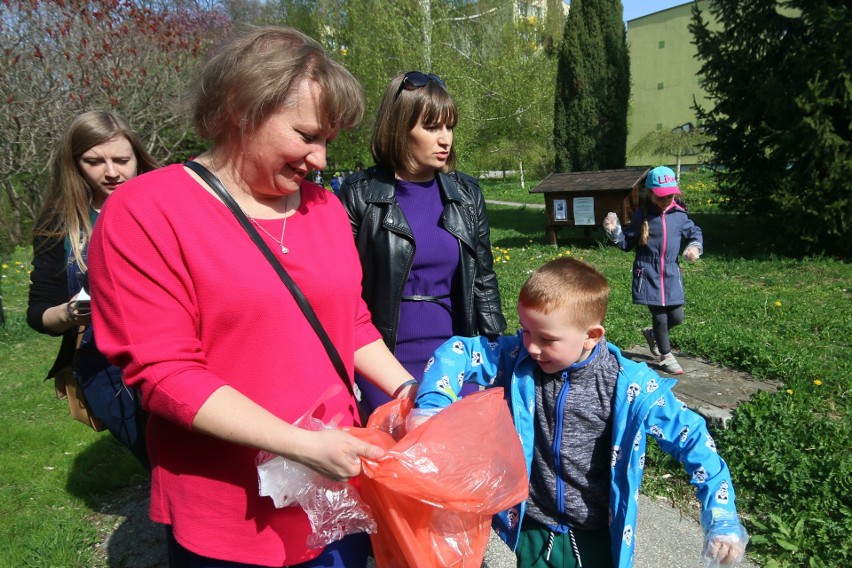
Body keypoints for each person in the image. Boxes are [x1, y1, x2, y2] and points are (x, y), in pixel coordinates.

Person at [87, 26, 419, 568]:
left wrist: (409, 392)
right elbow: (165, 374)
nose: (321, 160)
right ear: (242, 107)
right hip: (230, 511)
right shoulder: (146, 211)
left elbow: (350, 320)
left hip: (336, 490)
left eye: (329, 141)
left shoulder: (324, 208)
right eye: (307, 135)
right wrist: (302, 444)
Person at [412, 257, 749, 568]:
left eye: (546, 338)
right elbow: (458, 351)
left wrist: (721, 516)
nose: (531, 345)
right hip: (534, 528)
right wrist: (430, 406)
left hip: (596, 537)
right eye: (526, 330)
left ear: (592, 336)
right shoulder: (519, 359)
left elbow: (693, 440)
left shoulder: (629, 387)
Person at [338, 70, 506, 413]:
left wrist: (493, 357)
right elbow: (343, 296)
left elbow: (484, 283)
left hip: (456, 358)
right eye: (432, 127)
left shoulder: (466, 194)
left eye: (449, 126)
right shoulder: (359, 195)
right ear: (400, 128)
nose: (446, 139)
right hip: (385, 360)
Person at [27, 110, 158, 465]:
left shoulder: (164, 202)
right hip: (107, 369)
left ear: (137, 156)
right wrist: (71, 312)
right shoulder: (59, 223)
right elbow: (39, 313)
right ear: (74, 164)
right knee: (158, 462)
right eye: (94, 161)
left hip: (174, 352)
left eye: (121, 160)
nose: (112, 172)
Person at [602, 165, 703, 375]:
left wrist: (694, 247)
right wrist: (614, 232)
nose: (666, 200)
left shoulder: (680, 215)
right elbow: (626, 243)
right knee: (660, 317)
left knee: (677, 317)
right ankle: (666, 356)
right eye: (661, 197)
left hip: (672, 274)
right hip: (647, 274)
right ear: (649, 194)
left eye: (670, 195)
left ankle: (654, 334)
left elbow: (695, 232)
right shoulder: (642, 216)